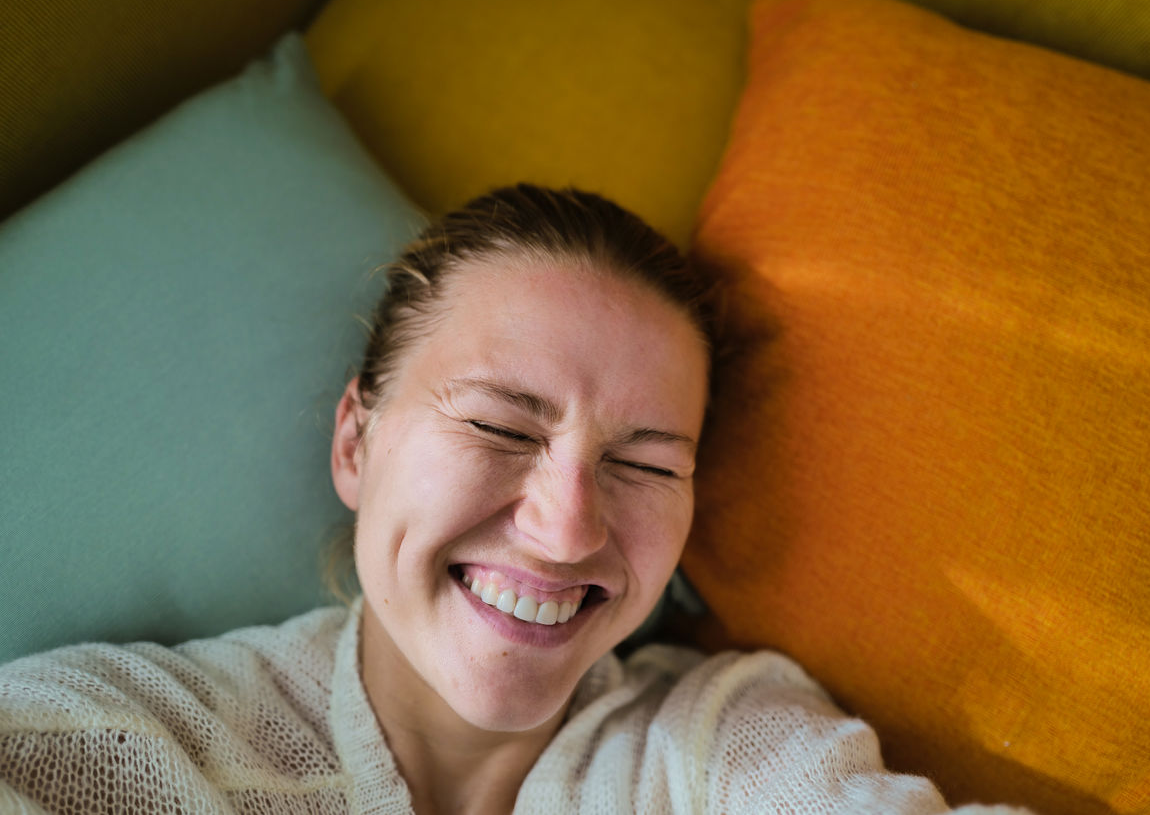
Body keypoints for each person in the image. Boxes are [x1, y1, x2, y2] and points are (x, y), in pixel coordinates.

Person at [0, 185, 1029, 814]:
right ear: (356, 440)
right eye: (499, 426)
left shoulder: (717, 740)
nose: (568, 526)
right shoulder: (123, 744)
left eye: (644, 462)